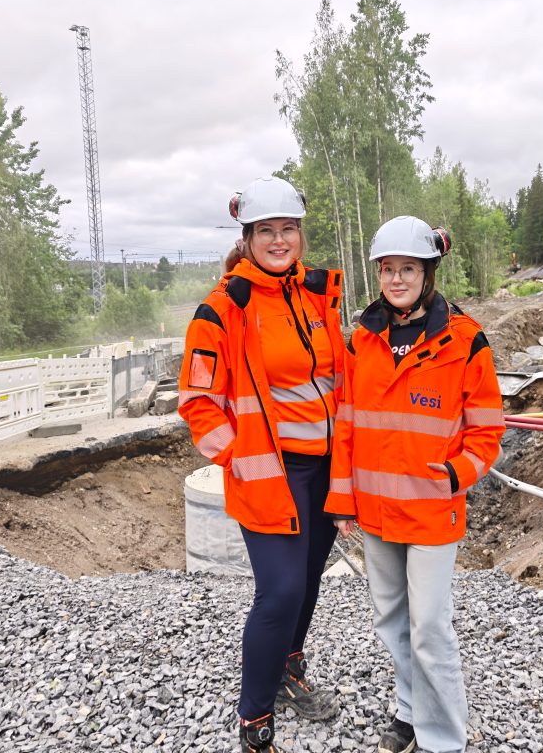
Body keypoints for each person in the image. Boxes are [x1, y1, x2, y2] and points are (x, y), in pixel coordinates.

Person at [324, 216, 506, 753]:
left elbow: (487, 430)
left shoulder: (464, 340)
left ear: (428, 273)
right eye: (388, 269)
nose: (397, 279)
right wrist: (342, 501)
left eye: (408, 268)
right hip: (376, 511)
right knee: (391, 620)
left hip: (431, 510)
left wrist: (455, 475)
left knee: (429, 628)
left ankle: (443, 739)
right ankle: (409, 713)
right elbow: (347, 424)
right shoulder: (364, 340)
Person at [178, 176, 345, 752]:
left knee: (308, 581)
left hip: (326, 470)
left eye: (288, 229)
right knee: (279, 592)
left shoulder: (317, 295)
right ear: (247, 238)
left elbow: (336, 379)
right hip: (271, 473)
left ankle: (289, 669)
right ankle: (255, 721)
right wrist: (240, 458)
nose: (279, 240)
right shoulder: (223, 309)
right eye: (266, 231)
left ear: (300, 234)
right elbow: (198, 403)